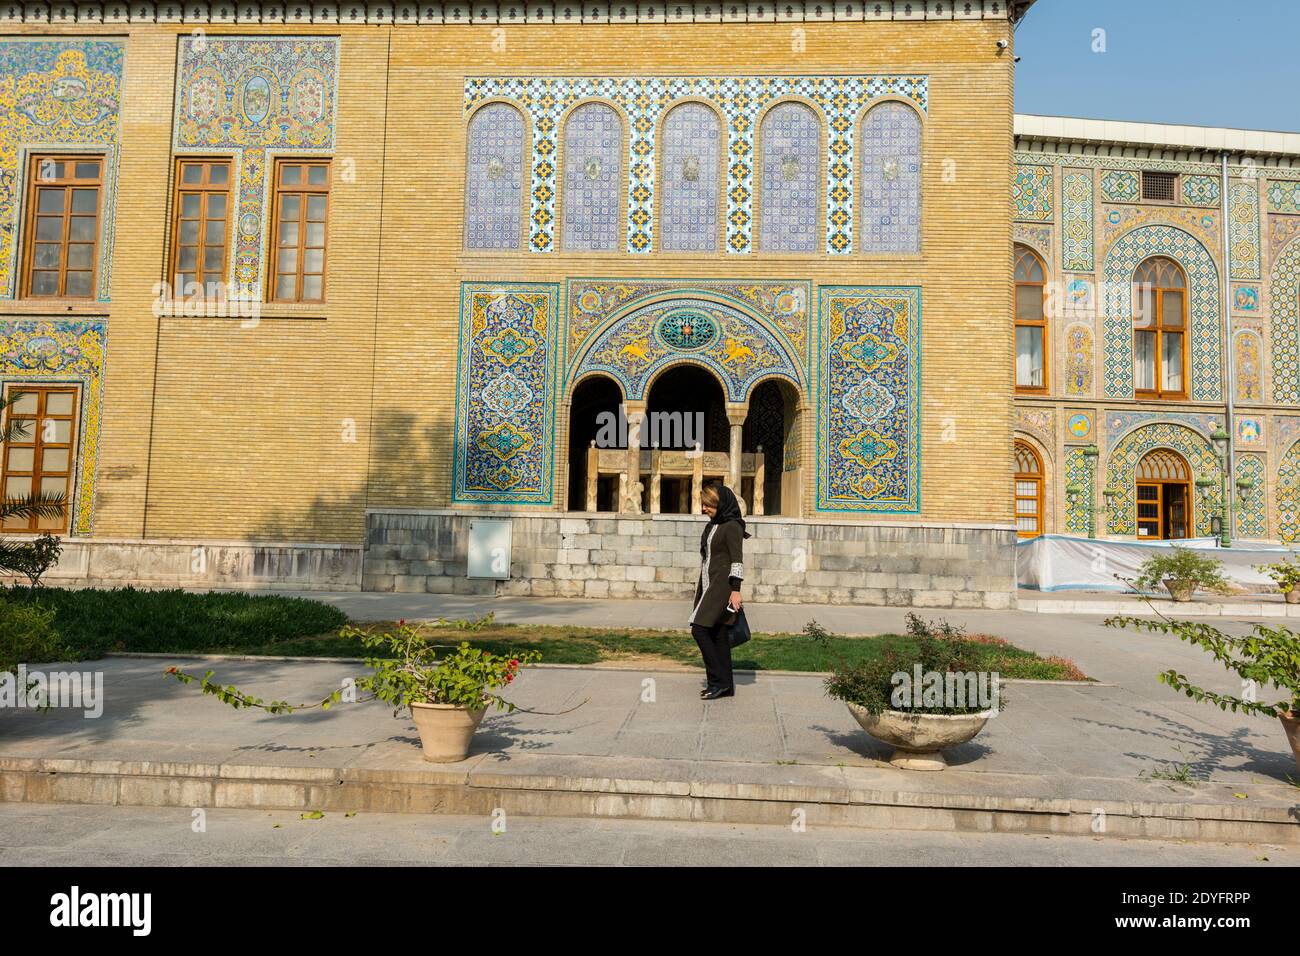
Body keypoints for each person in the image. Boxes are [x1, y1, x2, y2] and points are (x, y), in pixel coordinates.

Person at [689, 483, 749, 699]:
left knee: (699, 628)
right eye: (704, 504)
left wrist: (735, 590)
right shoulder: (714, 524)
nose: (705, 508)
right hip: (707, 584)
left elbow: (737, 560)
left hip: (722, 587)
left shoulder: (732, 526)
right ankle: (725, 685)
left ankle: (717, 680)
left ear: (721, 504)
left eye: (709, 505)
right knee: (718, 633)